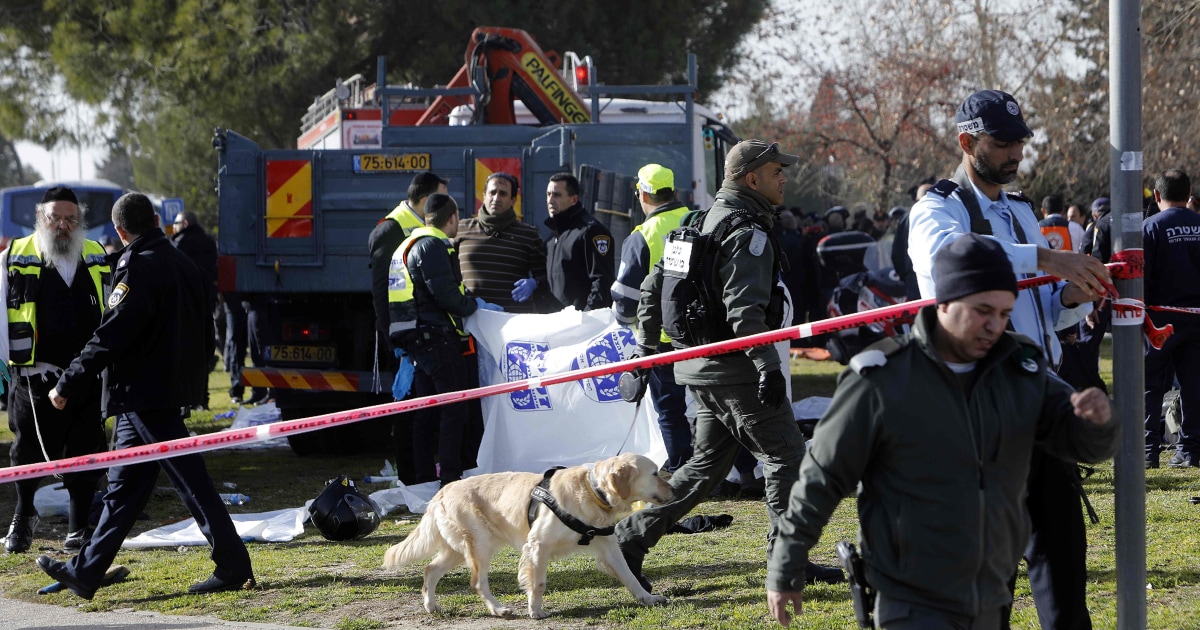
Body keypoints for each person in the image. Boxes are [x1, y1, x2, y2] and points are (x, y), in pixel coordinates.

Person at [766, 233, 1118, 629]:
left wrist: (1097, 423)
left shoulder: (1021, 369)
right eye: (982, 310)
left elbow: (1080, 443)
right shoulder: (883, 379)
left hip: (990, 595)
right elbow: (821, 477)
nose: (994, 326)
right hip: (911, 601)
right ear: (944, 302)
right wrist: (786, 565)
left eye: (1004, 313)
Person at [907, 89, 1112, 630]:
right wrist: (1044, 256)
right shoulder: (937, 208)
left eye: (1020, 142)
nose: (1015, 154)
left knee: (1064, 570)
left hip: (1041, 404)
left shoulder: (1020, 210)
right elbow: (951, 258)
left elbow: (1044, 313)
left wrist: (1072, 295)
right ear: (966, 141)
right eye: (1003, 143)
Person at [618, 139, 842, 593]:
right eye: (778, 170)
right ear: (751, 178)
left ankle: (626, 542)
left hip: (700, 368)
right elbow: (744, 312)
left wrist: (644, 349)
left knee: (703, 468)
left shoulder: (697, 223)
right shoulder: (747, 231)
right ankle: (788, 561)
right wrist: (768, 367)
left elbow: (650, 290)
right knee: (787, 457)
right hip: (735, 369)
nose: (785, 178)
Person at [36, 193, 254, 599]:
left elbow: (112, 333)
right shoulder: (183, 261)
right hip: (162, 391)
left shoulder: (138, 266)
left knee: (192, 482)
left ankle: (233, 563)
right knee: (125, 489)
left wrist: (68, 383)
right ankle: (85, 571)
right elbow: (207, 327)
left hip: (144, 394)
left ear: (121, 231)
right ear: (155, 220)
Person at [0, 186, 109, 554]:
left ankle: (78, 527)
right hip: (34, 377)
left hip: (84, 376)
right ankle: (23, 514)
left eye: (70, 219)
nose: (63, 225)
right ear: (40, 218)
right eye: (55, 218)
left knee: (85, 449)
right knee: (26, 451)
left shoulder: (96, 255)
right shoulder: (14, 256)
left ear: (79, 221)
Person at [389, 193, 500, 486]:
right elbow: (446, 294)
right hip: (436, 339)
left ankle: (423, 477)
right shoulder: (433, 246)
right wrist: (475, 308)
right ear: (452, 218)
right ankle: (449, 477)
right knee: (455, 407)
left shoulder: (408, 244)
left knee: (426, 410)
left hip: (417, 338)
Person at [610, 164, 693, 472]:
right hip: (705, 335)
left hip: (662, 340)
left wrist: (626, 321)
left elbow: (625, 302)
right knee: (718, 405)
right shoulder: (697, 221)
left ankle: (682, 469)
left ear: (643, 194)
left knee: (671, 409)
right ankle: (744, 468)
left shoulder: (642, 235)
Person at [1143, 169, 1200, 468]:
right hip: (1196, 320)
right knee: (1194, 385)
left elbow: (1143, 277)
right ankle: (1190, 451)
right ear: (1189, 195)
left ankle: (1148, 450)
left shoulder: (1150, 227)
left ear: (1156, 196)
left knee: (1150, 384)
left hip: (1159, 321)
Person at [454, 172, 549, 313]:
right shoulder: (460, 229)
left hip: (513, 320)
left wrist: (535, 283)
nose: (496, 198)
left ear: (513, 201)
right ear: (484, 196)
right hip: (472, 318)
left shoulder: (529, 234)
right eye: (492, 192)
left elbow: (549, 275)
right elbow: (446, 276)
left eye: (503, 194)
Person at [544, 172, 615, 311]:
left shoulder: (591, 232)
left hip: (582, 324)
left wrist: (587, 318)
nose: (550, 200)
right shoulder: (552, 239)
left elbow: (602, 282)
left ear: (574, 199)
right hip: (556, 323)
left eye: (557, 195)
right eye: (548, 194)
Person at [170, 210, 218, 409]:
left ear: (186, 223)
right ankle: (203, 399)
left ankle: (187, 400)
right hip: (206, 305)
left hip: (185, 307)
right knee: (203, 355)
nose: (174, 227)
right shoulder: (208, 241)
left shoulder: (181, 243)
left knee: (185, 356)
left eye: (176, 223)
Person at [891, 183, 932, 301]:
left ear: (917, 199)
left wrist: (904, 275)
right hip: (940, 276)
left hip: (913, 277)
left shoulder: (906, 218)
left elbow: (897, 253)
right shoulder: (945, 213)